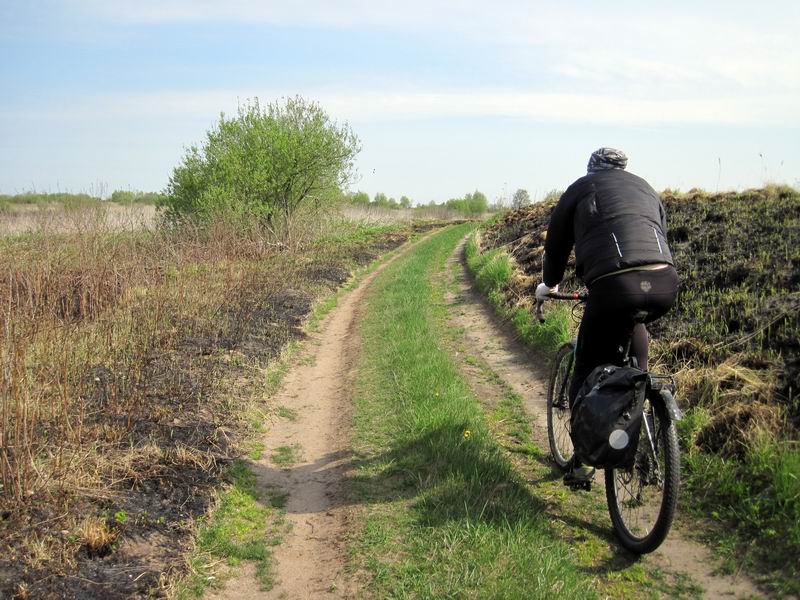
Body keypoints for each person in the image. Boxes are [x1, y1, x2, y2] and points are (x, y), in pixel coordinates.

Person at [536, 147, 679, 485]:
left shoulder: (581, 189)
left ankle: (582, 463)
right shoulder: (645, 188)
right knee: (635, 339)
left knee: (585, 372)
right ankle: (642, 413)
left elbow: (556, 244)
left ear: (591, 168)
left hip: (614, 285)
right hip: (664, 283)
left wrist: (549, 284)